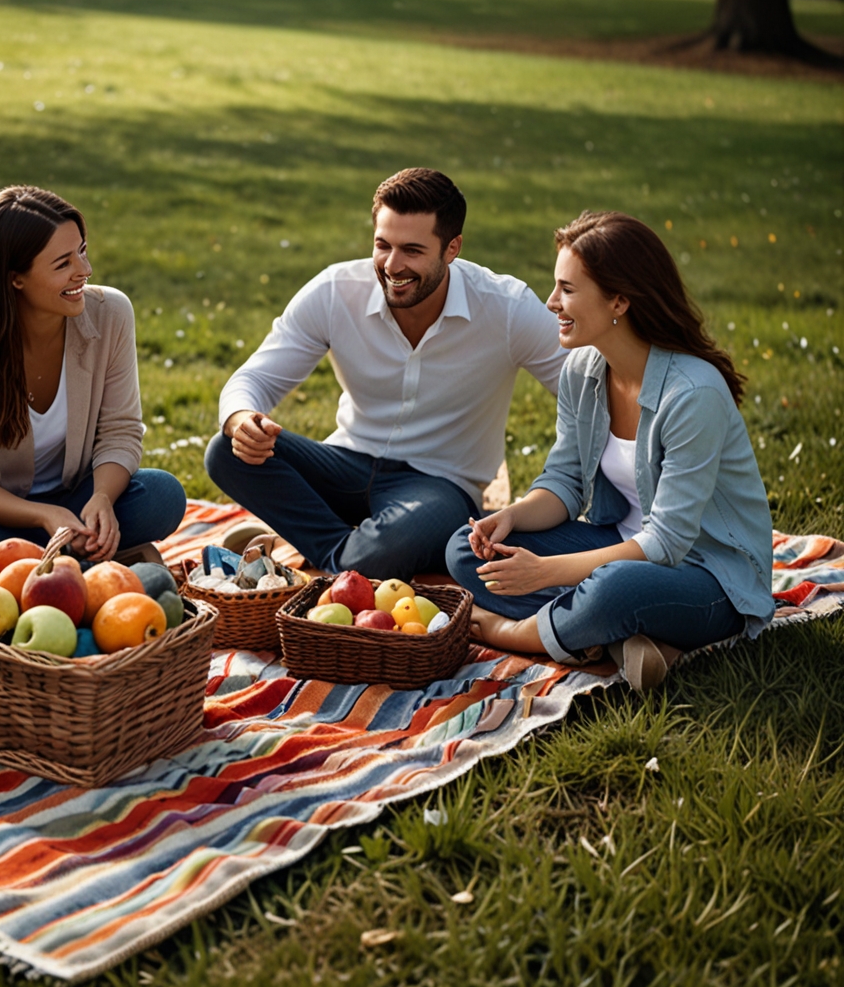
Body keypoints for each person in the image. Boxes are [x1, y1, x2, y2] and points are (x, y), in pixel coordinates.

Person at [445, 210, 774, 691]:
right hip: (614, 548)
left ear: (619, 300)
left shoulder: (692, 395)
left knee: (616, 589)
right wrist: (511, 517)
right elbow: (565, 483)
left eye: (568, 290)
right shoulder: (581, 369)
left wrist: (541, 576)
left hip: (709, 579)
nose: (551, 302)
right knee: (466, 549)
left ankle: (527, 632)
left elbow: (666, 544)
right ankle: (612, 635)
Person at [204, 168, 567, 579]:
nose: (393, 266)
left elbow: (582, 390)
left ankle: (334, 554)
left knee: (400, 540)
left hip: (438, 485)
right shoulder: (335, 290)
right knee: (226, 451)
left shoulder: (506, 308)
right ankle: (352, 556)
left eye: (412, 250)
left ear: (453, 248)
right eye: (383, 245)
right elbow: (255, 379)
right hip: (344, 464)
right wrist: (241, 419)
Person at [0, 186, 186, 591]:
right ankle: (74, 564)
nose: (85, 270)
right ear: (16, 279)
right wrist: (43, 517)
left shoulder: (111, 313)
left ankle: (31, 567)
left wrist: (102, 500)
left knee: (163, 496)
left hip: (77, 498)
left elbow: (120, 431)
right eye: (63, 263)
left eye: (82, 250)